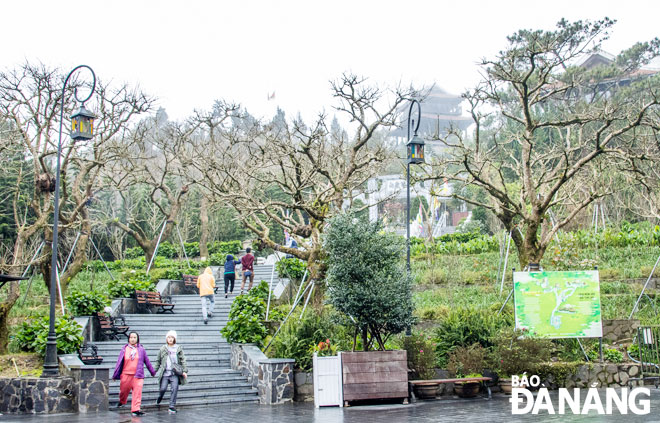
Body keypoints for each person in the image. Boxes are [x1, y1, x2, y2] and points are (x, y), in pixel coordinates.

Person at [112, 331, 155, 417]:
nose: (133, 339)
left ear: (137, 339)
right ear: (128, 338)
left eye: (134, 337)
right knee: (123, 391)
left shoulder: (141, 349)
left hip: (137, 375)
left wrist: (152, 371)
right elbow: (119, 362)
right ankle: (122, 401)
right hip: (126, 374)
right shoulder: (124, 349)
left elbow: (147, 361)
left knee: (137, 392)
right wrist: (115, 374)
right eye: (131, 337)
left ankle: (136, 409)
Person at [154, 330, 188, 414]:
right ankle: (160, 397)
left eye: (172, 337)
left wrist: (184, 371)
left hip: (174, 373)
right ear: (166, 338)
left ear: (174, 339)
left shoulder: (178, 348)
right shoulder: (163, 348)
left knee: (174, 389)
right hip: (165, 373)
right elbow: (158, 361)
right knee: (163, 389)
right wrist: (154, 370)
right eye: (169, 337)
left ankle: (171, 406)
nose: (170, 339)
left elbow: (183, 360)